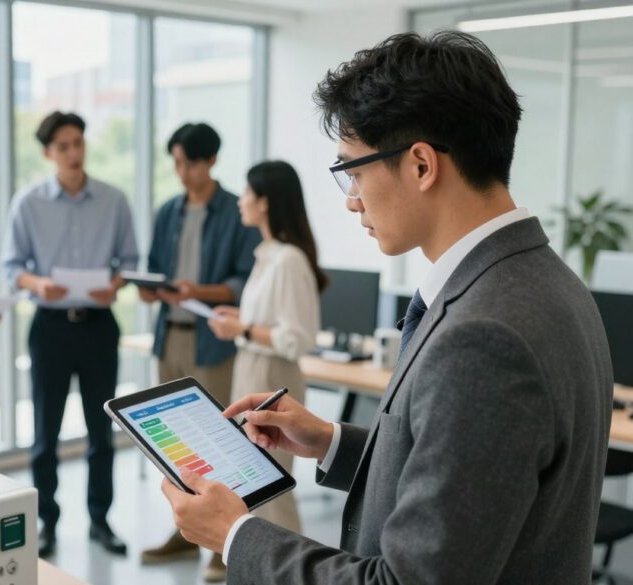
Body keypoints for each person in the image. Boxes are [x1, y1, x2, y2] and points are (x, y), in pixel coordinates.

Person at [161, 31, 612, 584]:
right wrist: (330, 442)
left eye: (353, 171)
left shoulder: (485, 336)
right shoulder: (545, 279)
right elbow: (479, 488)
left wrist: (234, 534)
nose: (351, 199)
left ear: (421, 165)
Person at [2, 111, 139, 558]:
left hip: (99, 327)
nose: (74, 153)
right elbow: (11, 267)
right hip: (51, 329)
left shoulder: (114, 200)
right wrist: (39, 284)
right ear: (48, 153)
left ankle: (101, 519)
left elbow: (129, 262)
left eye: (78, 143)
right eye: (63, 146)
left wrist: (115, 285)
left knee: (102, 430)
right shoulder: (28, 203)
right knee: (46, 432)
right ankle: (47, 523)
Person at [138, 122, 261, 582]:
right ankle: (185, 531)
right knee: (171, 445)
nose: (181, 172)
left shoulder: (234, 211)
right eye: (176, 163)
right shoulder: (168, 210)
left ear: (210, 161)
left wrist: (199, 290)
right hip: (170, 333)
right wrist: (153, 289)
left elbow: (240, 281)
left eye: (188, 162)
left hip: (212, 337)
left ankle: (222, 542)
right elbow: (154, 269)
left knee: (217, 441)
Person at [205, 160, 325, 580]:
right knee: (253, 485)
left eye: (247, 194)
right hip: (253, 368)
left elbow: (298, 336)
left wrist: (242, 327)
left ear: (266, 202)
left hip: (274, 377)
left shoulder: (289, 260)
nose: (241, 200)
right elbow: (267, 323)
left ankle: (296, 573)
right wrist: (239, 320)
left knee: (271, 487)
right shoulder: (267, 255)